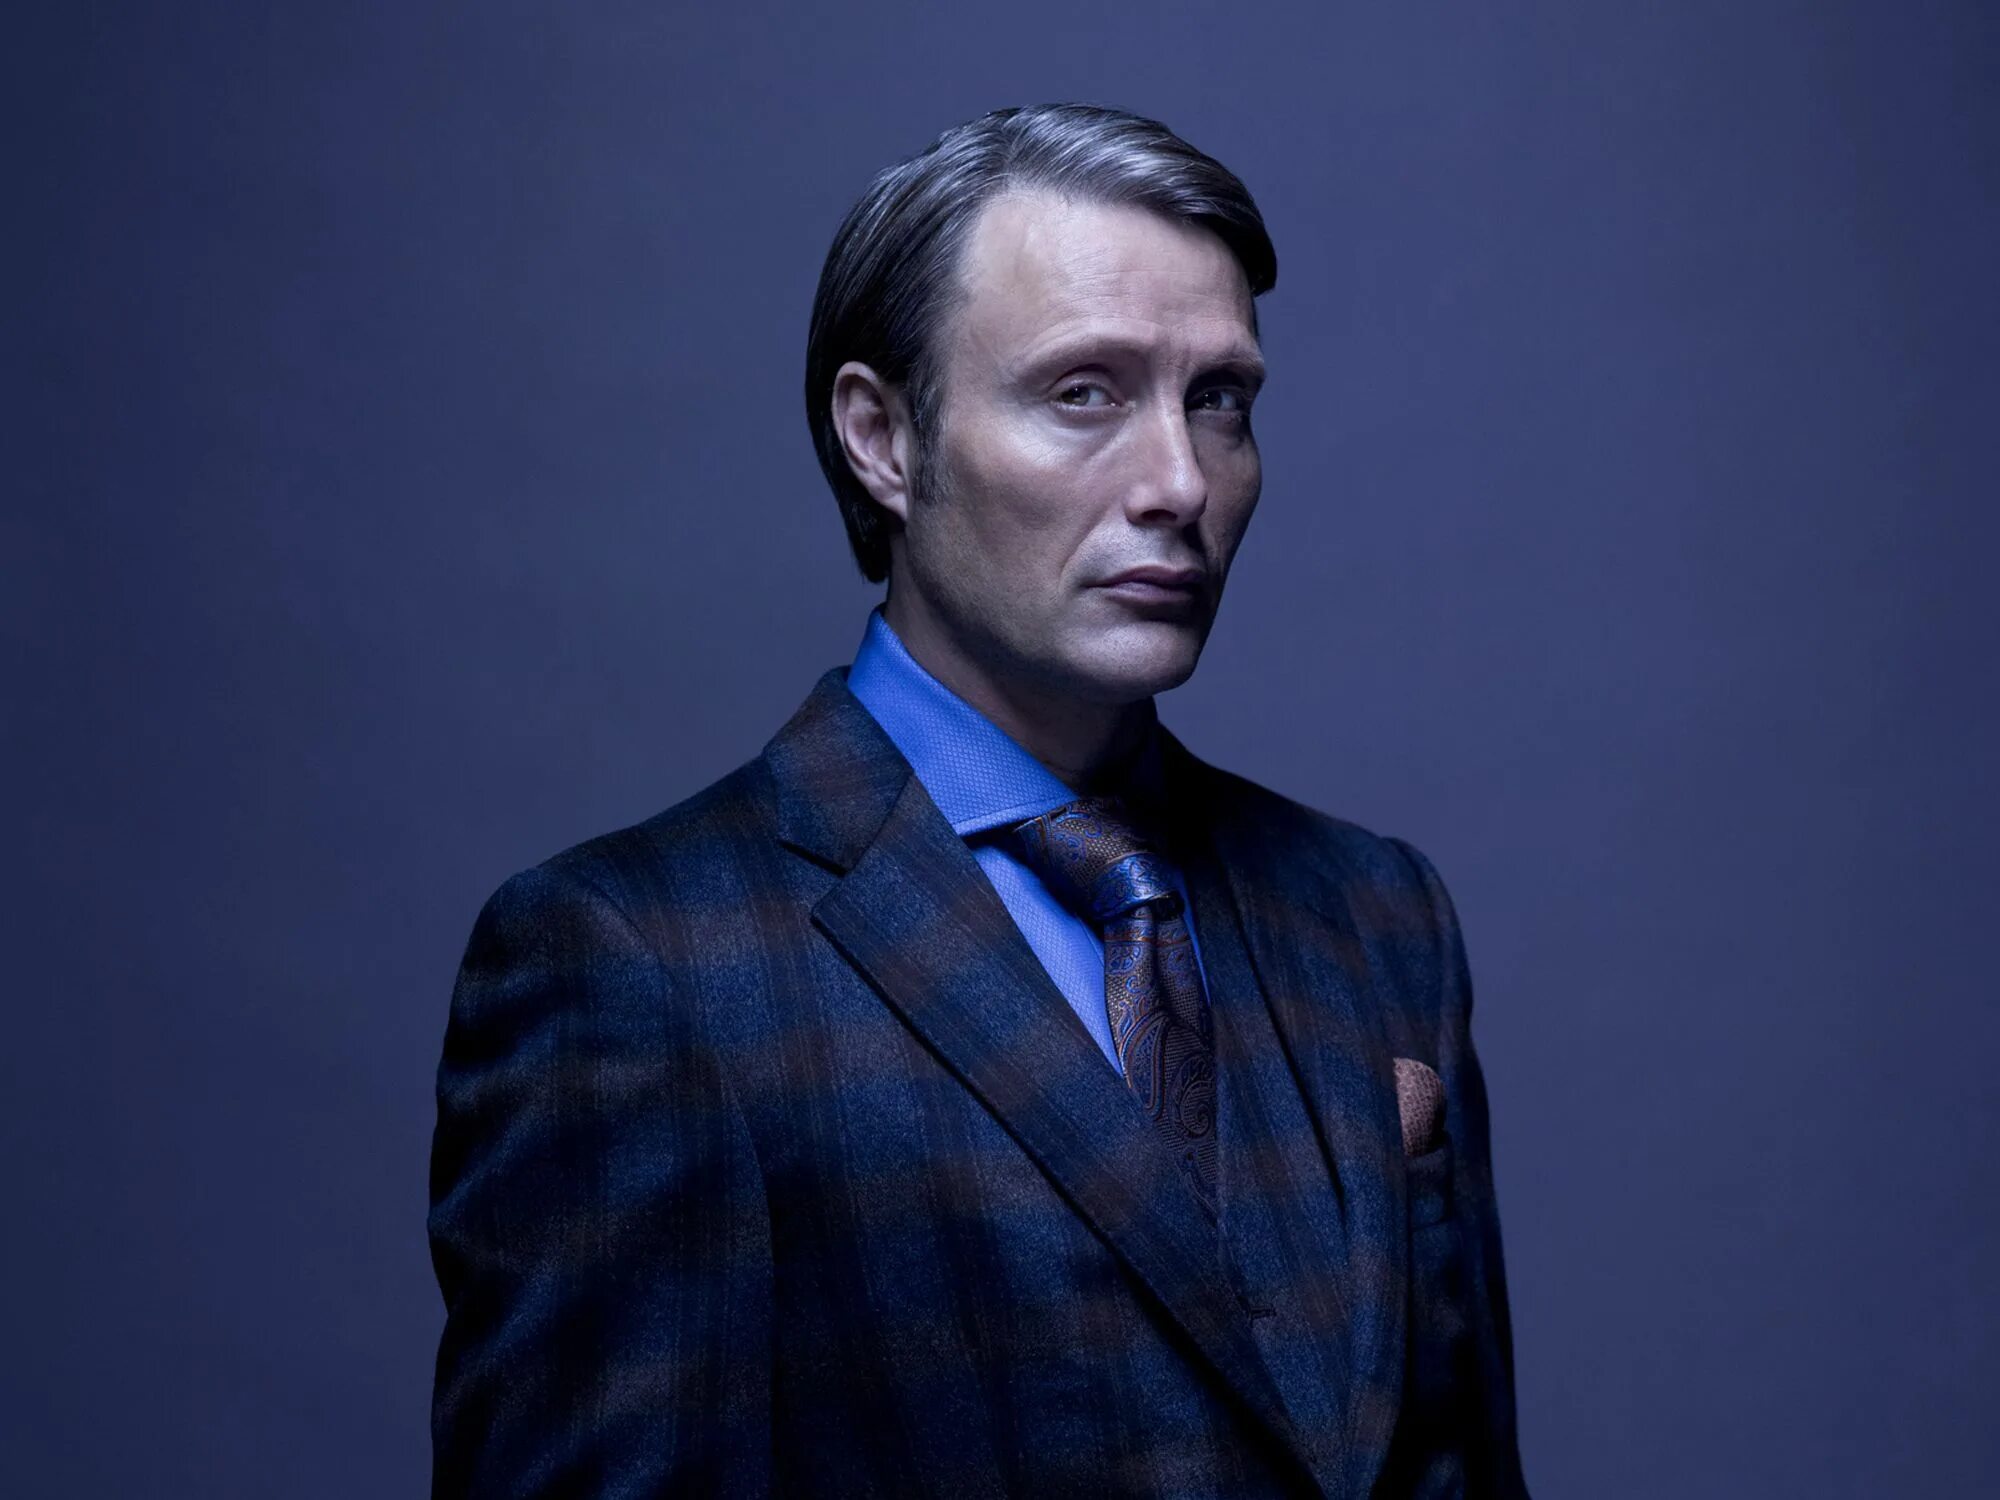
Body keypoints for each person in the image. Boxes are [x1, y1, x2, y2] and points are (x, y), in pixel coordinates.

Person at [428, 102, 1528, 1498]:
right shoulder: (642, 967)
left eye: (1220, 400)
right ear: (883, 439)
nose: (1180, 482)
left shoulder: (1377, 918)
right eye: (1085, 393)